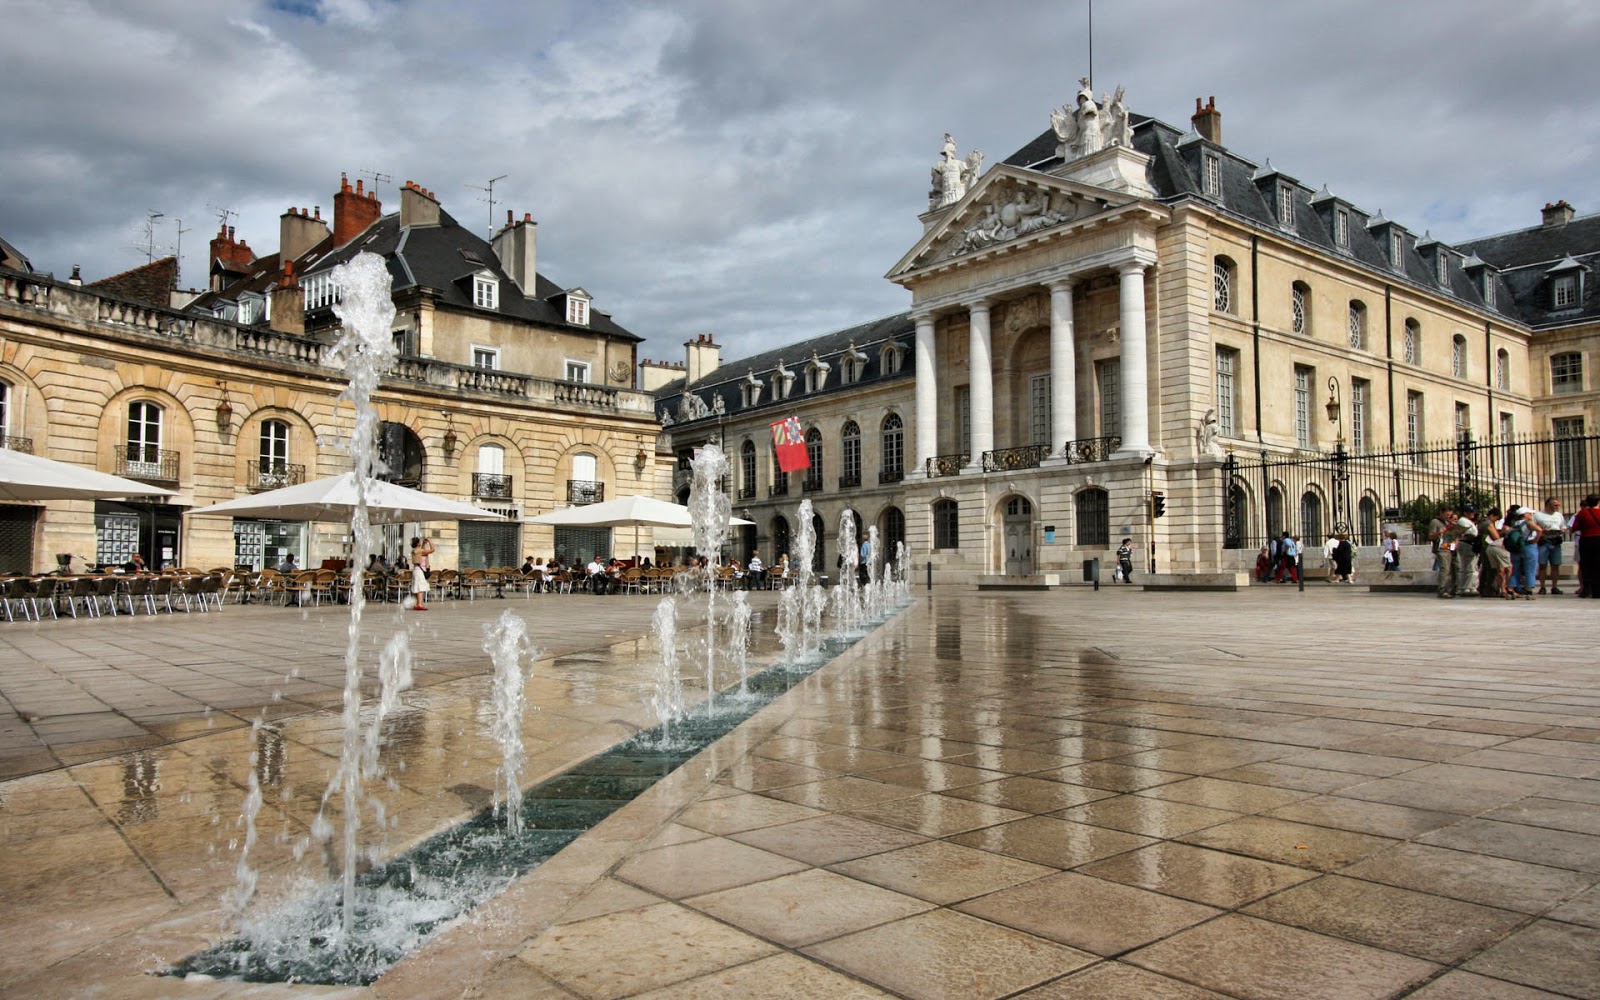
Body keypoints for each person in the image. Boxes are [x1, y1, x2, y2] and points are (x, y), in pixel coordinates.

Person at [1503, 505, 1541, 599]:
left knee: (1515, 569)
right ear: (1524, 515)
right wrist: (1535, 540)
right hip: (1528, 546)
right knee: (1530, 569)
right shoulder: (1528, 523)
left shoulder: (1514, 524)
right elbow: (1539, 530)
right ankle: (1529, 590)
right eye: (1529, 513)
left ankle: (1510, 590)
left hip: (1516, 549)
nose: (1531, 515)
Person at [1533, 497, 1567, 595]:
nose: (1557, 507)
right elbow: (1532, 527)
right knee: (1542, 565)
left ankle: (1554, 586)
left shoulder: (1559, 515)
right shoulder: (1538, 515)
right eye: (1555, 505)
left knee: (1555, 565)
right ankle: (1542, 586)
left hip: (1555, 540)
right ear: (1548, 505)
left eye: (1558, 505)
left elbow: (1563, 526)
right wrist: (1542, 530)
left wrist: (1562, 530)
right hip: (1544, 540)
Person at [1572, 495, 1600, 599]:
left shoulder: (1582, 513)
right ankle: (1597, 591)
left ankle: (1586, 589)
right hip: (1599, 539)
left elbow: (1575, 527)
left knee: (1586, 565)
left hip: (1586, 539)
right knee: (1598, 565)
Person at [409, 535, 433, 610]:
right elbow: (432, 550)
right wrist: (430, 542)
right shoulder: (420, 551)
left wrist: (423, 544)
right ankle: (419, 604)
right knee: (420, 587)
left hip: (416, 569)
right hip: (420, 571)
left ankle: (417, 603)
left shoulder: (415, 550)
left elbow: (421, 551)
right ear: (418, 544)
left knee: (417, 587)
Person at [1428, 508, 1453, 573]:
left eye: (1450, 515)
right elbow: (1430, 535)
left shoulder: (1448, 522)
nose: (1448, 517)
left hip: (1447, 546)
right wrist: (1439, 532)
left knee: (1442, 564)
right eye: (1447, 514)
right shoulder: (1435, 522)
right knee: (1442, 565)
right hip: (1440, 547)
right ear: (1441, 513)